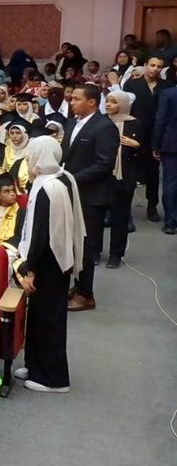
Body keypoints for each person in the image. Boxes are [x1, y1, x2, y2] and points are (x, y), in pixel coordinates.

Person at [15, 136, 83, 393]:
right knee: (37, 316)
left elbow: (42, 235)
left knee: (49, 319)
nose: (28, 158)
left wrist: (30, 269)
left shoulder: (50, 187)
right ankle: (35, 365)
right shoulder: (53, 178)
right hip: (48, 260)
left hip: (50, 263)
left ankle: (54, 378)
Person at [61, 85, 117, 312]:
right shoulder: (71, 123)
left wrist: (71, 179)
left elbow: (104, 164)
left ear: (92, 102)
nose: (71, 102)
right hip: (70, 193)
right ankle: (77, 284)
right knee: (73, 244)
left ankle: (86, 294)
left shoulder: (104, 127)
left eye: (76, 99)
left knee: (86, 245)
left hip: (91, 196)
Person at [122, 56, 173, 223]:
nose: (155, 69)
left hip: (156, 134)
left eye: (159, 66)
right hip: (135, 133)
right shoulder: (132, 84)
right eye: (152, 65)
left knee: (153, 173)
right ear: (145, 65)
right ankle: (126, 211)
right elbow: (126, 109)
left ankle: (152, 206)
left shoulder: (166, 86)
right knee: (131, 172)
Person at [103, 90, 140, 268]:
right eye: (107, 101)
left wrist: (136, 145)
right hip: (102, 176)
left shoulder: (135, 123)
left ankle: (116, 254)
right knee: (96, 217)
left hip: (123, 176)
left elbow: (148, 152)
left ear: (123, 104)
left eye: (114, 102)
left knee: (120, 217)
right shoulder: (101, 122)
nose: (109, 105)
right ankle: (94, 251)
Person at [156, 85, 177, 234]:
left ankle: (171, 221)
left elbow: (161, 120)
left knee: (170, 182)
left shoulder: (168, 94)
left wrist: (156, 144)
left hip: (171, 143)